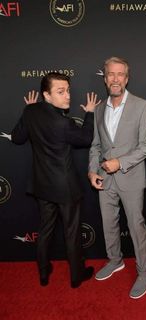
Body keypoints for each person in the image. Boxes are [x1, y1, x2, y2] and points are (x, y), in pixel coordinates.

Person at [0, 72, 100, 288]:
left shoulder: (31, 111)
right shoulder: (62, 123)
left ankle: (44, 274)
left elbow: (18, 138)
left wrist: (29, 110)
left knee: (45, 230)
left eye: (68, 91)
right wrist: (90, 114)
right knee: (72, 233)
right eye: (60, 92)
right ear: (46, 95)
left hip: (42, 186)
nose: (67, 96)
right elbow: (86, 139)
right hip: (65, 188)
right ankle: (76, 276)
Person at [88, 57, 146, 299]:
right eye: (110, 75)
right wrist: (92, 170)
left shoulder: (142, 106)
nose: (115, 79)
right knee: (108, 223)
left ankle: (144, 273)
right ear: (105, 79)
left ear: (126, 78)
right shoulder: (99, 109)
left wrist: (121, 162)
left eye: (120, 75)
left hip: (130, 177)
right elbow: (95, 145)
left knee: (136, 227)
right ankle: (115, 260)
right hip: (105, 177)